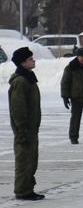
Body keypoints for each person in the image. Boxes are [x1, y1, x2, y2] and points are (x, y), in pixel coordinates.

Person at [9, 48, 42, 200]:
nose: (33, 60)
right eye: (30, 59)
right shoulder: (21, 81)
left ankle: (28, 188)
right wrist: (22, 129)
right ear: (23, 63)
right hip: (24, 129)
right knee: (24, 160)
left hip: (31, 128)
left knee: (31, 160)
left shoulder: (28, 78)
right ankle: (22, 191)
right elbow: (19, 107)